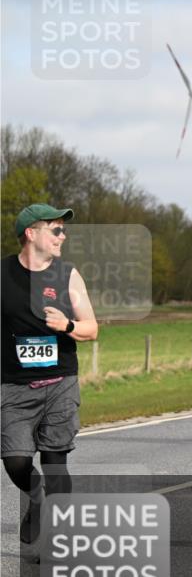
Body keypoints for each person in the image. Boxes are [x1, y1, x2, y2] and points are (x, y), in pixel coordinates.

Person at [2, 204, 99, 546]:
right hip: (12, 387)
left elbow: (92, 328)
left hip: (60, 383)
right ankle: (37, 499)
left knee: (56, 464)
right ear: (31, 233)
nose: (63, 236)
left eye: (63, 230)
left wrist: (67, 324)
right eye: (55, 229)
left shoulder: (68, 275)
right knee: (14, 460)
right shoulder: (2, 274)